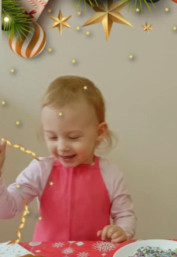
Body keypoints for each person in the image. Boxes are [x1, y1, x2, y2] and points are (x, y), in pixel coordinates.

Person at [0, 75, 136, 243]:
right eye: (52, 137)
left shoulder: (110, 174)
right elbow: (7, 211)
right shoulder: (40, 170)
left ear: (99, 132)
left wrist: (122, 230)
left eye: (73, 137)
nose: (62, 146)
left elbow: (125, 215)